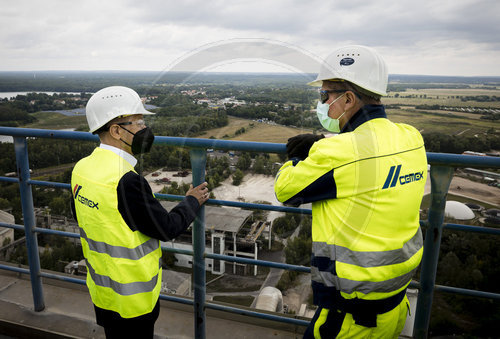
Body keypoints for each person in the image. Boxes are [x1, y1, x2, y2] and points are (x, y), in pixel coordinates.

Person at [274, 45, 427, 338]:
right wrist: (328, 141)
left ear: (348, 99)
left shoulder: (338, 152)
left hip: (351, 319)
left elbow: (286, 190)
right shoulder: (411, 137)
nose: (322, 102)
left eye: (325, 95)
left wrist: (303, 155)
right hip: (394, 306)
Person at [71, 86, 209, 338]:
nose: (144, 129)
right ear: (116, 130)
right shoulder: (126, 180)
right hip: (133, 300)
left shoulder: (82, 168)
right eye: (138, 122)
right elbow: (165, 227)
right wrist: (191, 201)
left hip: (102, 290)